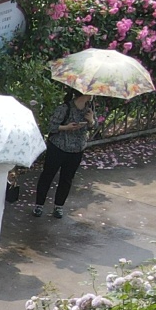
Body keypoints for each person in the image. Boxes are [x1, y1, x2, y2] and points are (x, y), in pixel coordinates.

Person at [36, 89, 100, 218]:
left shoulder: (89, 109)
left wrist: (91, 120)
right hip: (58, 146)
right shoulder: (65, 108)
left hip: (77, 149)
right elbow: (51, 126)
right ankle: (39, 205)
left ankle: (59, 206)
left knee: (67, 179)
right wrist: (66, 127)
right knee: (47, 175)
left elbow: (94, 126)